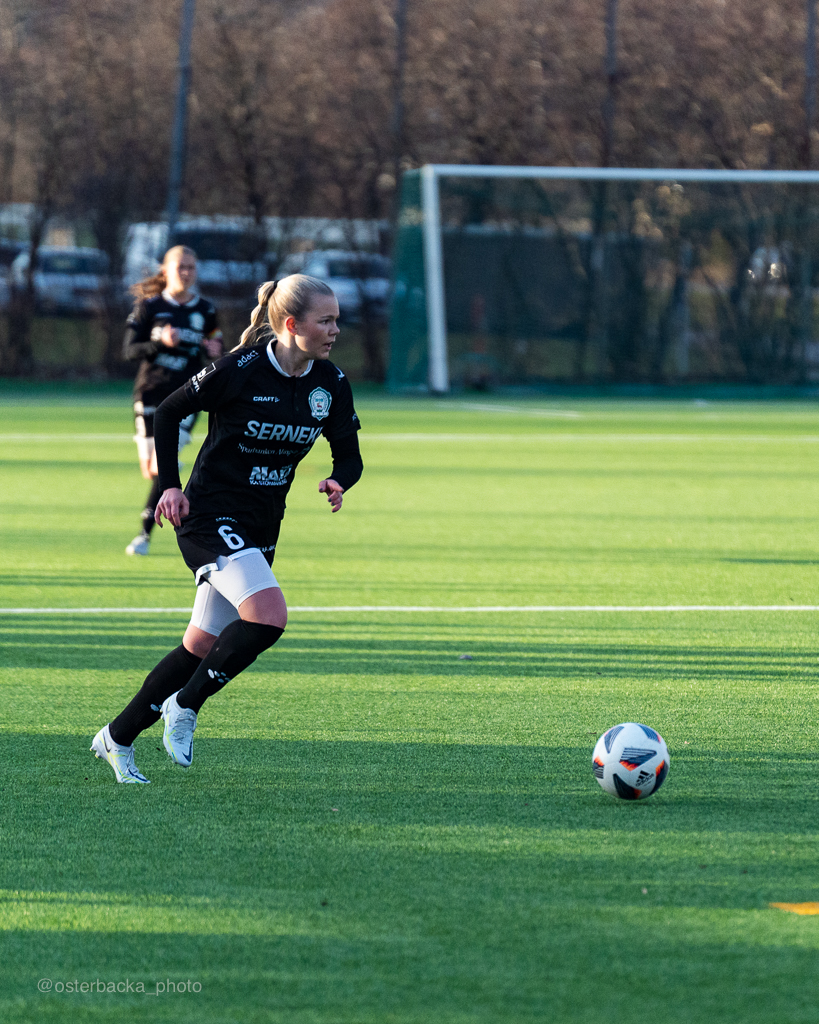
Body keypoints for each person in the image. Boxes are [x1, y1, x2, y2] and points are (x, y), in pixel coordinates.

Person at [91, 274, 363, 783]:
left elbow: (350, 455)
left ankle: (116, 737)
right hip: (208, 515)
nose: (335, 330)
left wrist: (338, 480)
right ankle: (185, 705)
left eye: (336, 320)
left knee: (199, 645)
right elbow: (169, 411)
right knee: (268, 617)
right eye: (325, 321)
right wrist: (170, 487)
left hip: (263, 522)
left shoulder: (330, 383)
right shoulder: (240, 369)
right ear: (291, 324)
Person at [123, 245, 223, 556]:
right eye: (181, 267)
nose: (186, 273)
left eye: (191, 267)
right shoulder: (149, 307)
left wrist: (215, 351)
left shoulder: (205, 310)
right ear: (165, 270)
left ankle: (144, 533)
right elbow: (129, 350)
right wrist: (160, 343)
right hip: (150, 392)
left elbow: (215, 346)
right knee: (151, 468)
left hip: (186, 397)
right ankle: (174, 485)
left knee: (161, 463)